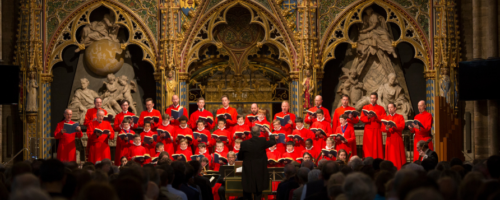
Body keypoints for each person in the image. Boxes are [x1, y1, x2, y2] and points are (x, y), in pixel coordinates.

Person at [238, 126, 277, 200]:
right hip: (259, 172)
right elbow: (272, 142)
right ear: (259, 133)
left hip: (248, 172)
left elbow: (240, 157)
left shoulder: (244, 144)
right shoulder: (262, 141)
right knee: (258, 193)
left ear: (251, 133)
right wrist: (268, 131)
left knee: (247, 192)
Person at [360, 92, 386, 159]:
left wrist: (376, 117)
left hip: (377, 129)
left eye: (374, 98)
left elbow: (384, 119)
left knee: (377, 147)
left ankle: (377, 161)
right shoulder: (365, 107)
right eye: (371, 98)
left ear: (377, 98)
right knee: (368, 147)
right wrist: (368, 117)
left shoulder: (381, 108)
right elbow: (362, 118)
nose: (372, 99)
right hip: (368, 129)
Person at [381, 103, 406, 169]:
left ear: (395, 108)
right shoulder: (386, 118)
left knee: (398, 156)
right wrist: (387, 128)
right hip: (389, 139)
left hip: (397, 139)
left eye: (391, 107)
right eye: (388, 108)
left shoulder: (400, 116)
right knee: (390, 156)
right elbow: (382, 128)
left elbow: (402, 126)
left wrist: (393, 127)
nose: (390, 109)